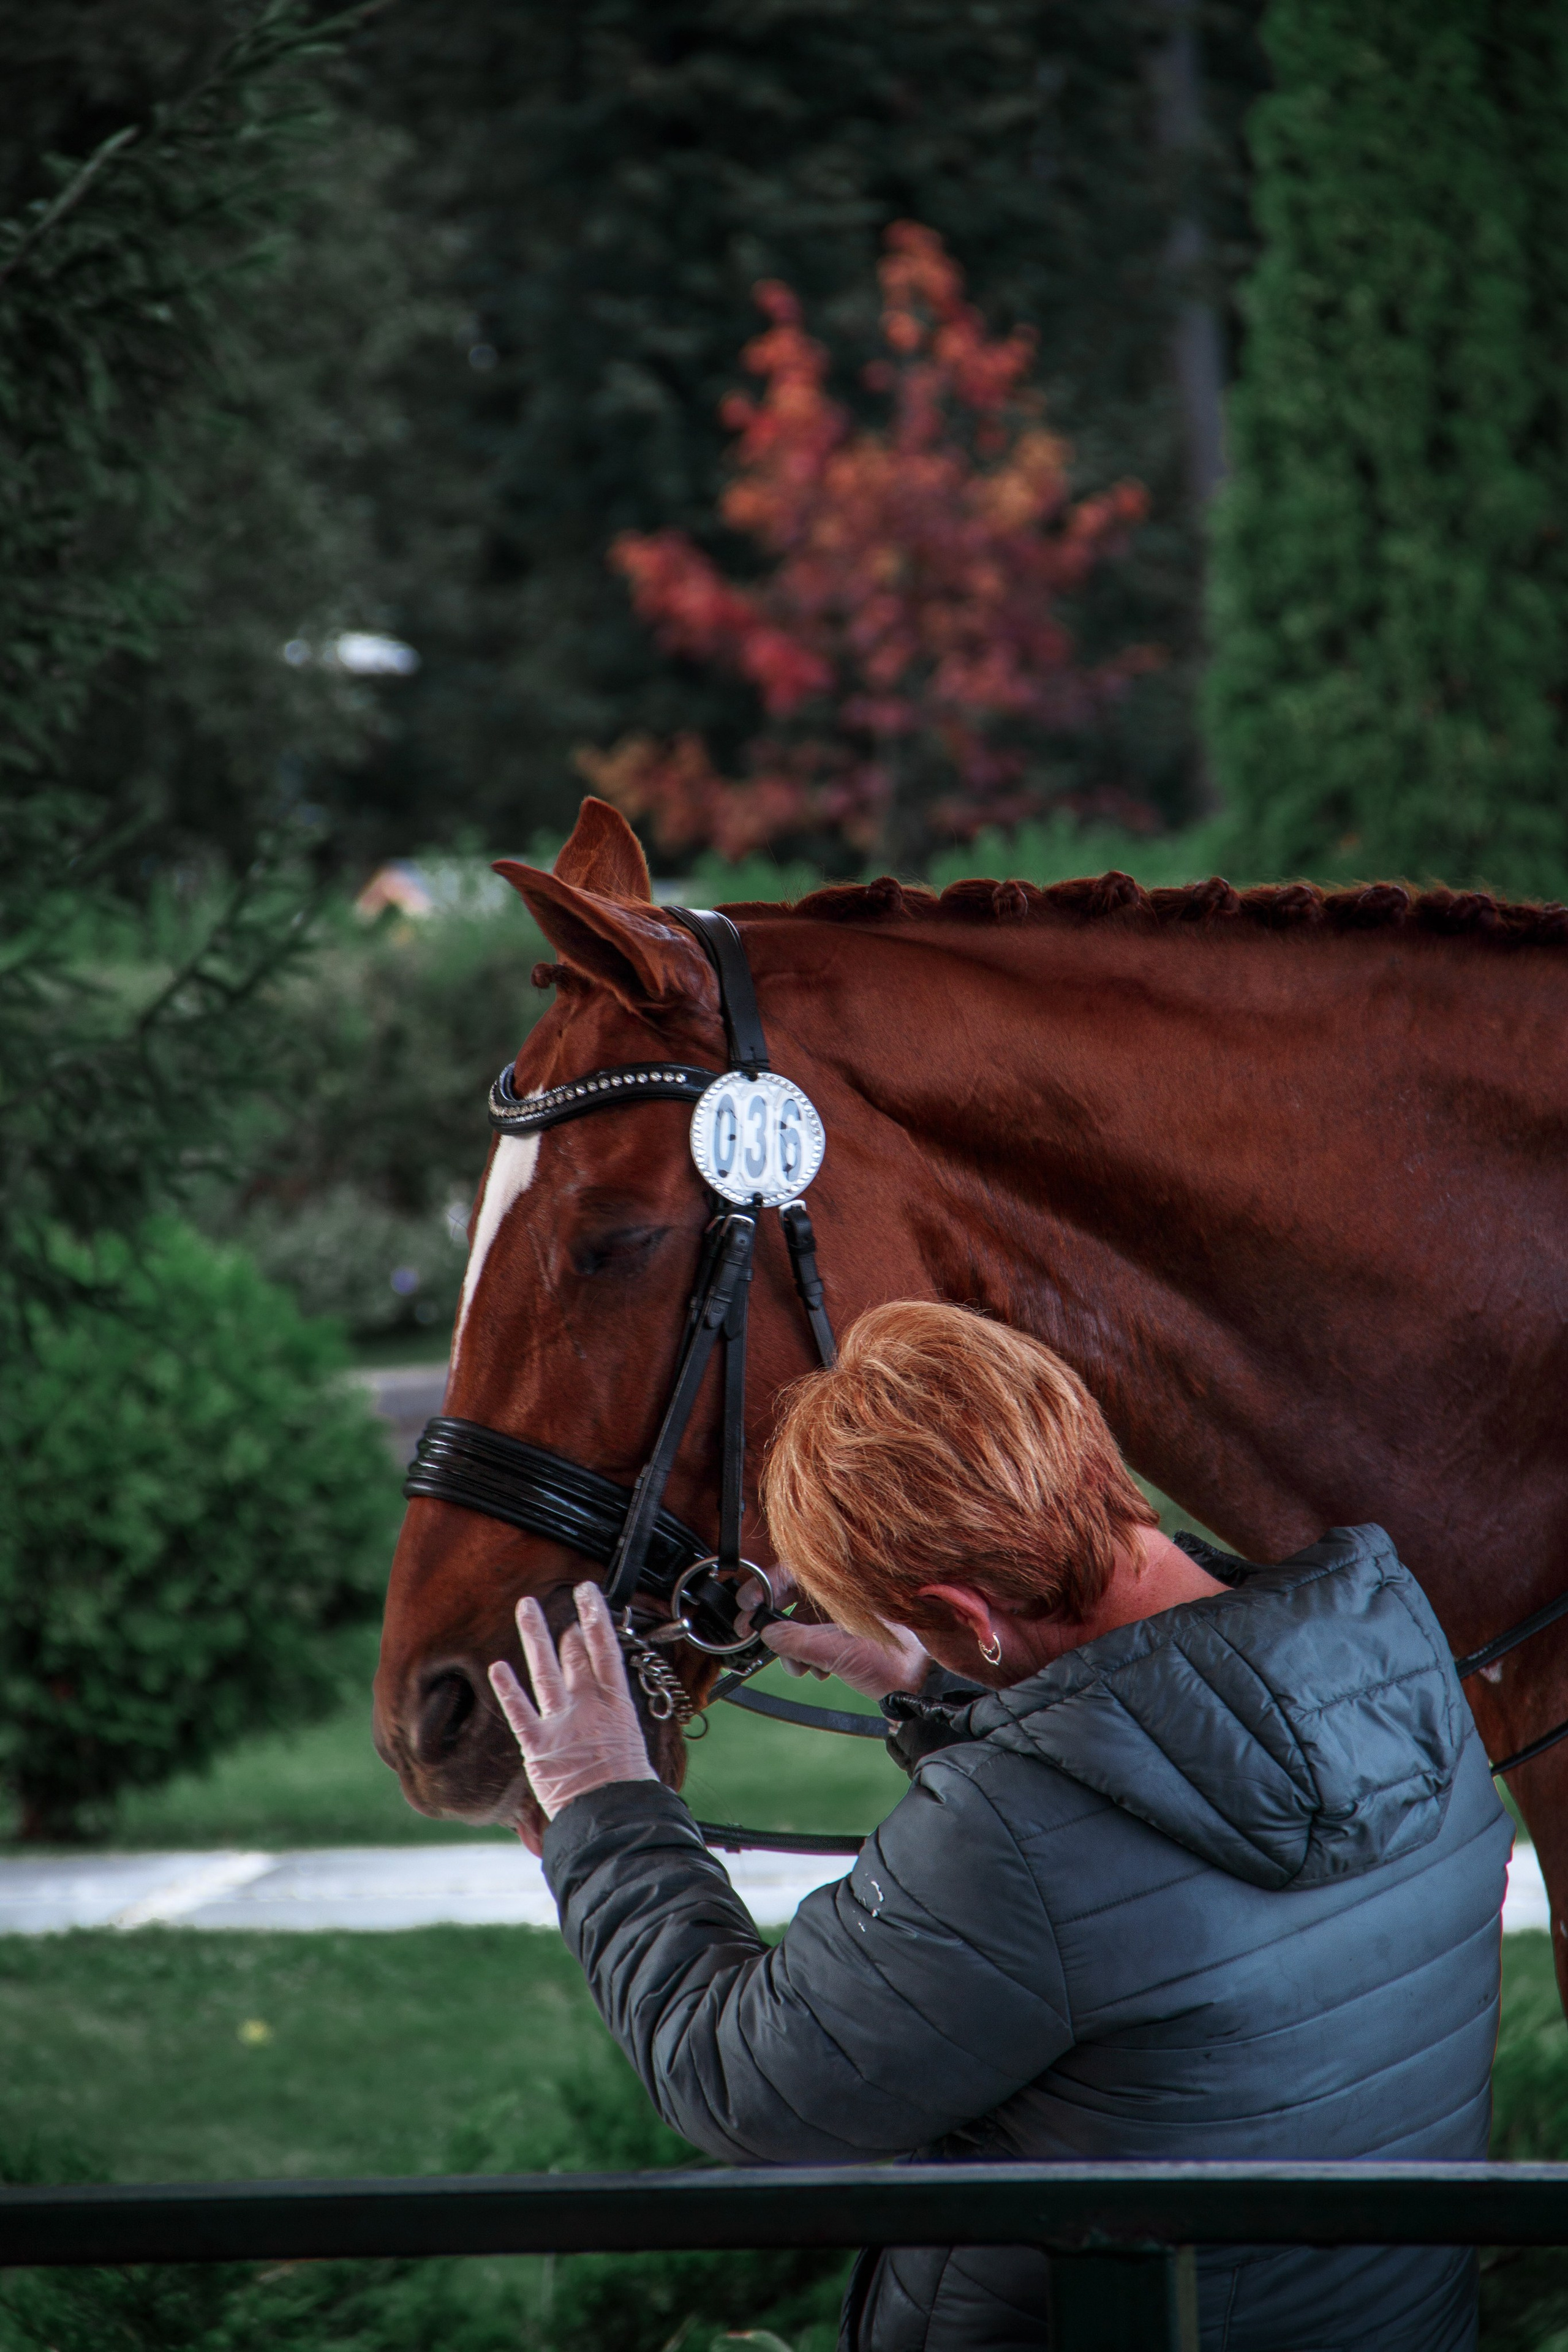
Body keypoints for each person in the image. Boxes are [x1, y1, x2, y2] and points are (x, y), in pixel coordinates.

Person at [488, 1300, 1510, 2352]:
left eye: (916, 1616)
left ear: (971, 1612)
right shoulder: (1392, 1654)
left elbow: (743, 2082)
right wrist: (939, 1683)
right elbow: (1167, 1802)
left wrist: (605, 1808)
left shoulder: (1010, 1837)